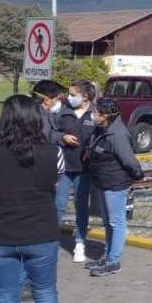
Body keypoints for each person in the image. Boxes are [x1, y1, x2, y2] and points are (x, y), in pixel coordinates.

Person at [0, 95, 78, 303]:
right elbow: (54, 182)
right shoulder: (53, 153)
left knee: (5, 297)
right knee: (45, 293)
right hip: (41, 232)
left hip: (0, 234)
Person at [85, 97, 143, 277]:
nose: (93, 115)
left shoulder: (117, 134)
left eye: (96, 113)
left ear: (106, 115)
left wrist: (137, 174)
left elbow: (129, 160)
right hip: (103, 181)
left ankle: (113, 261)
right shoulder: (102, 129)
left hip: (115, 183)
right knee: (107, 222)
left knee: (116, 222)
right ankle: (107, 255)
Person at [55, 80, 97, 263]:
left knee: (81, 205)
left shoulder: (95, 113)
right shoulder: (63, 112)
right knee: (58, 204)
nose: (69, 97)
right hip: (64, 167)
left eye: (73, 94)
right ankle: (49, 240)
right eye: (69, 94)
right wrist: (62, 136)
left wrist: (91, 148)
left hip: (84, 169)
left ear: (85, 96)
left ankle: (80, 242)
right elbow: (50, 132)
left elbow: (104, 135)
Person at [32, 80, 71, 148]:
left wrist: (62, 137)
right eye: (39, 101)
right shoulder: (36, 111)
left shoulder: (68, 113)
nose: (41, 104)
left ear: (57, 96)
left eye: (45, 100)